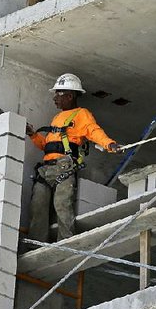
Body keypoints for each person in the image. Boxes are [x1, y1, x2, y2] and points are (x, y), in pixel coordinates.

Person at [26, 74, 119, 243]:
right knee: (38, 206)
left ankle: (66, 243)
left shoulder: (81, 114)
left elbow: (93, 131)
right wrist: (33, 135)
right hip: (46, 168)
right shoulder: (57, 118)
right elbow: (48, 145)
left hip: (64, 166)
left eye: (58, 94)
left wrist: (109, 144)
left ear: (70, 96)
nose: (55, 98)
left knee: (62, 205)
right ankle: (35, 245)